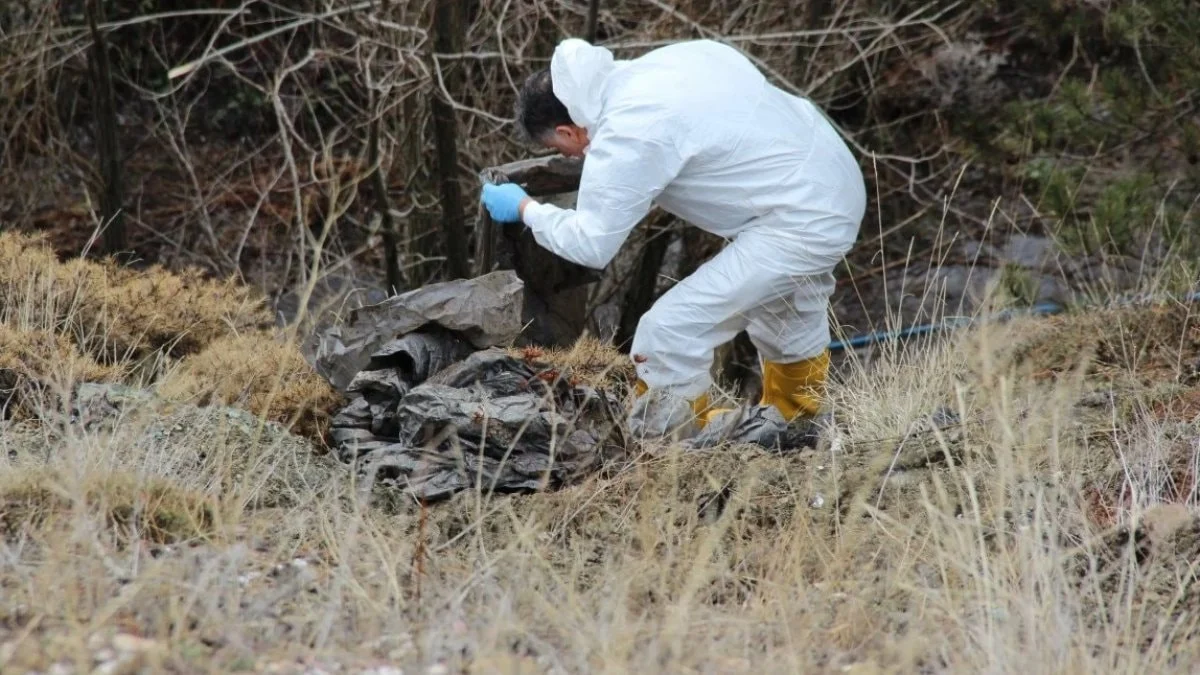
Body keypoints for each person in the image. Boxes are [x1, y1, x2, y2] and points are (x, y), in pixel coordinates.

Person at [480, 38, 866, 438]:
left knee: (667, 334)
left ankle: (677, 452)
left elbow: (591, 245)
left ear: (566, 129)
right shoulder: (660, 67)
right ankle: (798, 426)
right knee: (786, 310)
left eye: (560, 148)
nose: (571, 157)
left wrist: (527, 209)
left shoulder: (627, 133)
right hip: (830, 174)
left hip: (801, 216)